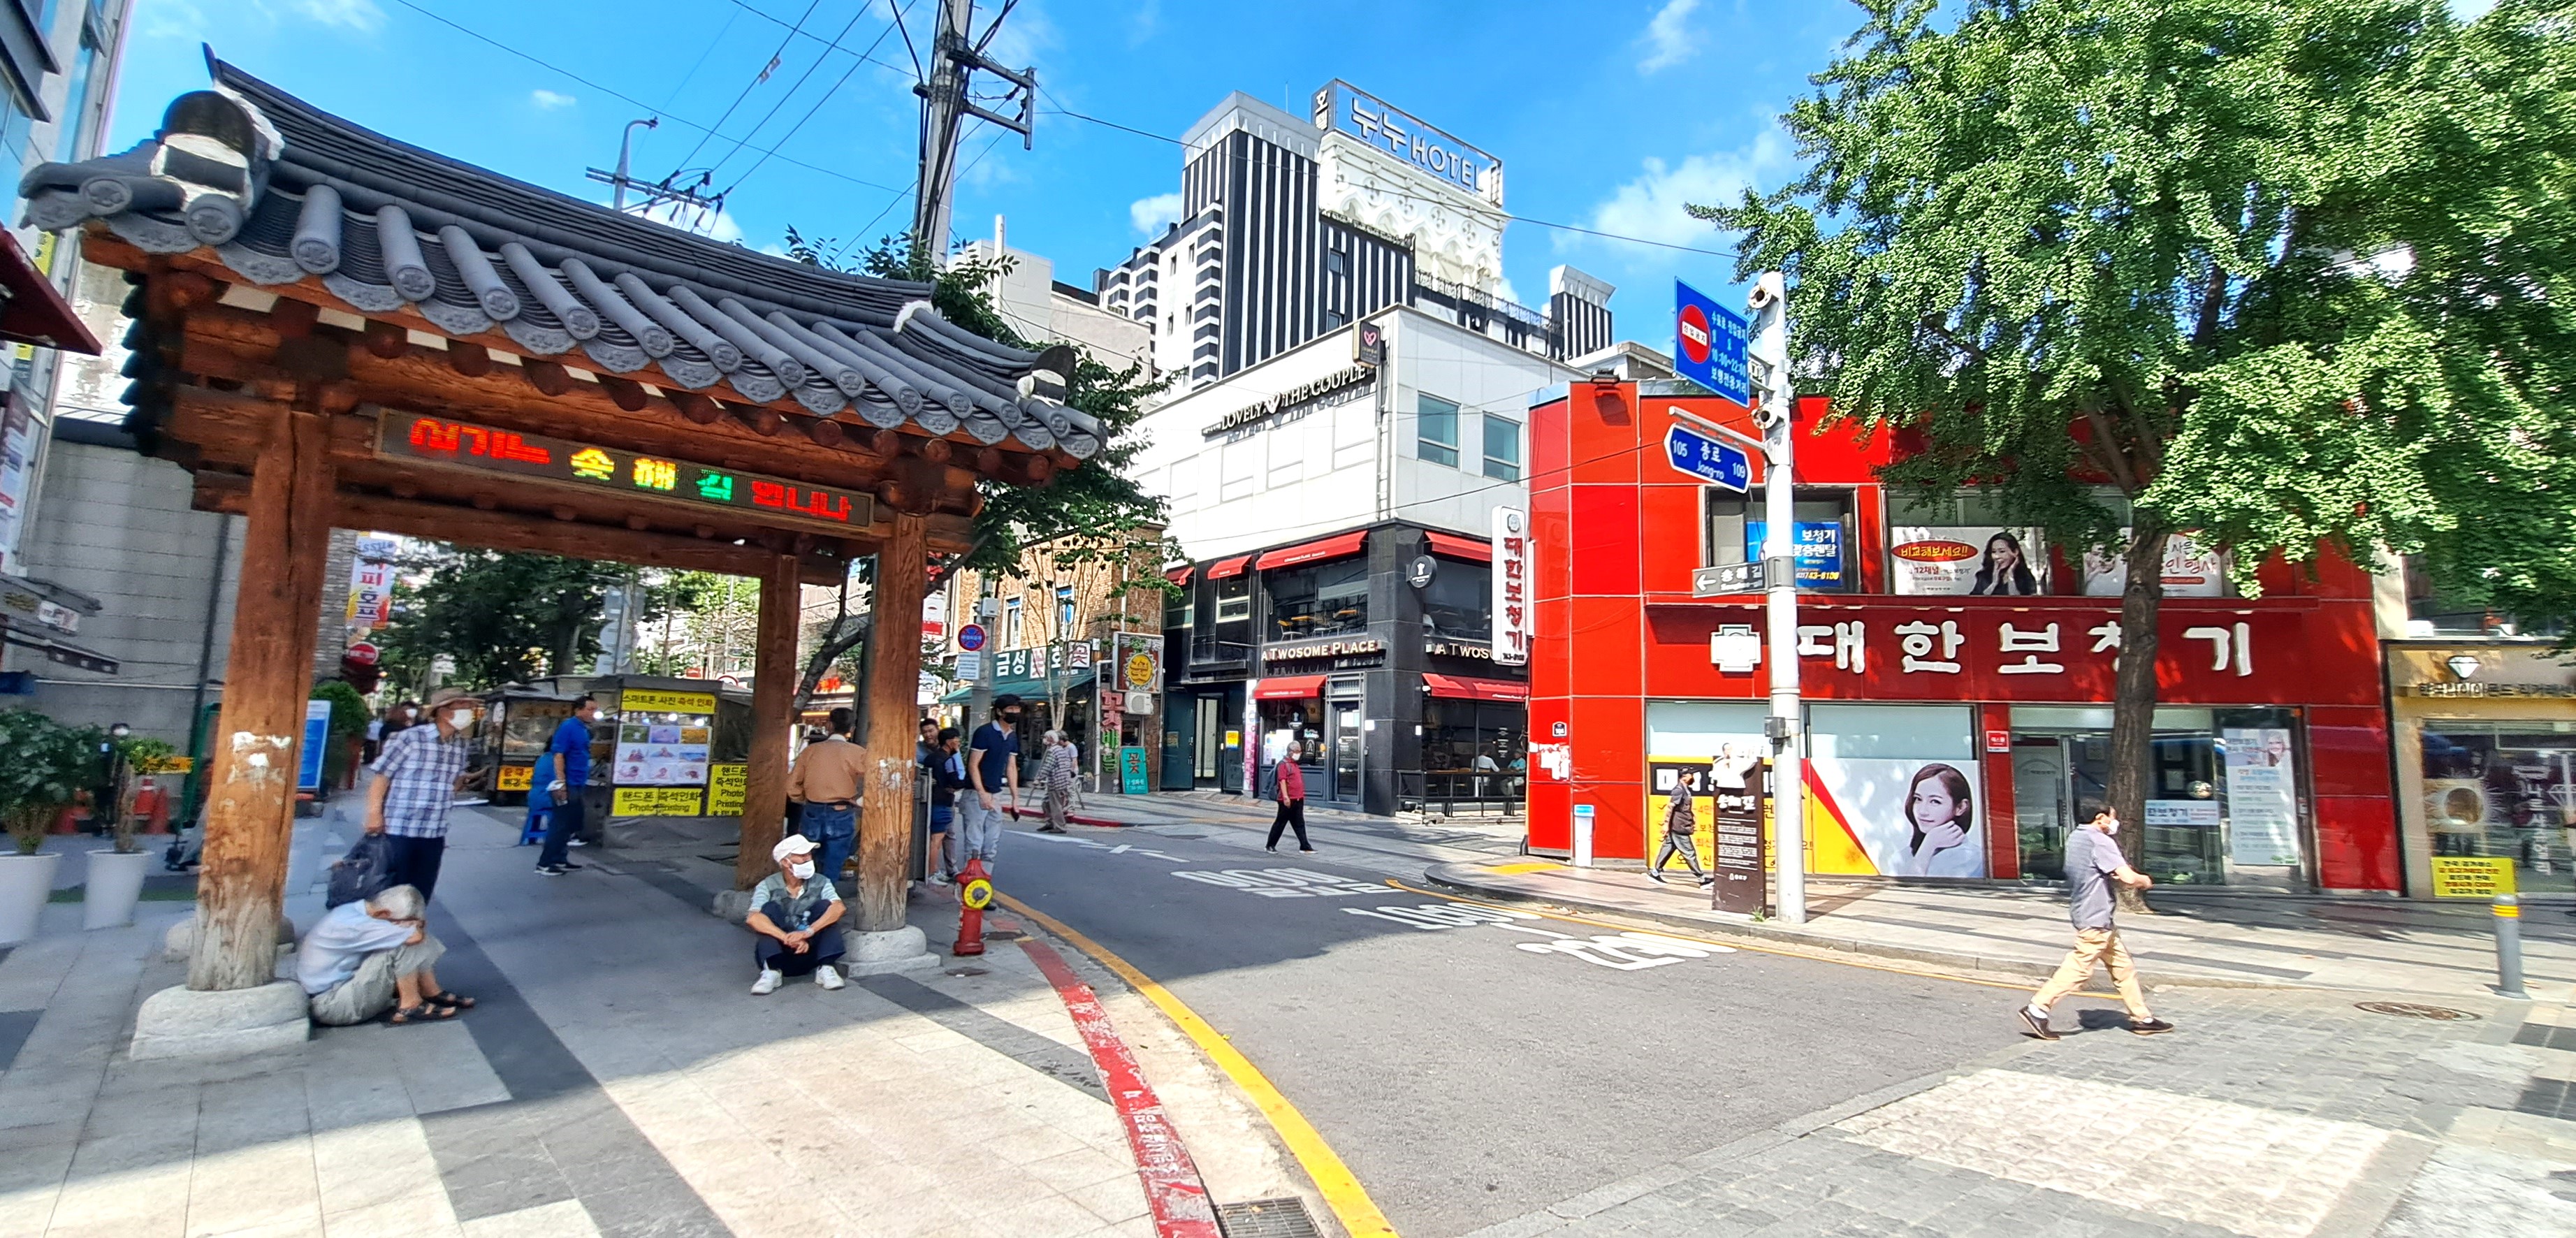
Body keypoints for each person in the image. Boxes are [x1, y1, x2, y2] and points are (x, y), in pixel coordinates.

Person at [2018, 805, 2174, 1040]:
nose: (2114, 822)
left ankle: (2142, 1018)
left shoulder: (2076, 837)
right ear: (2100, 818)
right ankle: (2037, 1008)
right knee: (2079, 968)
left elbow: (2093, 869)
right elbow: (2128, 878)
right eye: (2112, 817)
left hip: (2090, 912)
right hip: (2095, 916)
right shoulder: (2100, 840)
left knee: (2123, 967)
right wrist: (2145, 880)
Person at [365, 687, 483, 901]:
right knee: (391, 894)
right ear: (443, 711)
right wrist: (374, 814)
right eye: (463, 705)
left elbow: (453, 782)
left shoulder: (460, 745)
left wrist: (465, 780)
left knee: (420, 895)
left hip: (434, 831)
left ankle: (413, 923)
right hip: (399, 828)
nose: (469, 711)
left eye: (470, 707)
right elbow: (382, 777)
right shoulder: (410, 738)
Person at [296, 884, 472, 1026]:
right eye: (402, 921)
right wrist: (416, 926)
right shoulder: (355, 924)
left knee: (408, 937)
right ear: (384, 914)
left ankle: (430, 991)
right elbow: (414, 937)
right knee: (404, 942)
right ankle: (410, 1005)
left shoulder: (354, 911)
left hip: (337, 990)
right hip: (332, 1005)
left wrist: (410, 925)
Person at [745, 834, 845, 994]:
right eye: (802, 855)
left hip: (810, 950)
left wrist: (807, 933)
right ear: (786, 862)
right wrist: (787, 938)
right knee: (768, 910)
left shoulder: (821, 882)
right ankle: (771, 971)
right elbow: (753, 918)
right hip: (780, 951)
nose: (808, 859)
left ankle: (826, 967)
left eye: (809, 854)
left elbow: (838, 908)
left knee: (826, 907)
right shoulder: (767, 885)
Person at [787, 706, 868, 882]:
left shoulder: (810, 751)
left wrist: (803, 798)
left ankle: (807, 893)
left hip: (812, 810)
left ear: (829, 725)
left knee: (807, 859)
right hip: (841, 812)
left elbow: (792, 784)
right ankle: (826, 894)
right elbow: (878, 779)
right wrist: (861, 801)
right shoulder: (858, 753)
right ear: (852, 729)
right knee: (834, 862)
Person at [537, 694, 598, 876]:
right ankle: (545, 863)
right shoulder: (568, 727)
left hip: (578, 782)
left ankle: (560, 858)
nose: (593, 713)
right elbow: (559, 755)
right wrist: (561, 783)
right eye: (590, 709)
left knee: (569, 823)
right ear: (578, 710)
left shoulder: (583, 729)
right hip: (568, 783)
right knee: (560, 823)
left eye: (595, 710)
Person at [961, 694, 1024, 874]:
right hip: (976, 793)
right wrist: (982, 793)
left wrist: (1015, 798)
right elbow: (973, 764)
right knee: (974, 843)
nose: (1015, 713)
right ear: (999, 712)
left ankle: (984, 883)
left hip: (996, 793)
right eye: (1010, 709)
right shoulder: (985, 732)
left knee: (991, 844)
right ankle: (971, 883)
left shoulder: (1012, 736)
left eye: (1017, 709)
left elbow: (1011, 766)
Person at [1898, 764, 1981, 877]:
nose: (1922, 811)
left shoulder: (1972, 858)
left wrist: (1929, 845)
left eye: (1935, 801)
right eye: (1918, 799)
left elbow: (1910, 885)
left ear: (1960, 807)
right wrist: (1929, 845)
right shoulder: (1904, 855)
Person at [1651, 772, 1710, 885]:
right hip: (1679, 826)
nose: (1693, 777)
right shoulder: (1679, 790)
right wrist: (1666, 824)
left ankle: (1655, 872)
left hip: (1680, 825)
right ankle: (1702, 879)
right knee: (1689, 852)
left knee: (1668, 848)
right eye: (1691, 775)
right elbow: (1670, 808)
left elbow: (1683, 809)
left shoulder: (1685, 790)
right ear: (1684, 777)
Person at [928, 727, 967, 882]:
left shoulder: (931, 758)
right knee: (937, 840)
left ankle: (931, 871)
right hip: (943, 801)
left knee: (931, 839)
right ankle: (932, 872)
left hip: (930, 801)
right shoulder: (948, 760)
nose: (959, 743)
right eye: (957, 740)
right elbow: (956, 781)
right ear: (950, 742)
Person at [1267, 741, 1311, 853]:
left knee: (1299, 823)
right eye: (1297, 751)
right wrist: (1286, 797)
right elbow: (1282, 781)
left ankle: (1305, 846)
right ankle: (1270, 845)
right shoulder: (1283, 764)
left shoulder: (1294, 764)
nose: (1299, 753)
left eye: (1300, 751)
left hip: (1298, 798)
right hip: (1288, 799)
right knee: (1280, 823)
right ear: (1291, 752)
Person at [1969, 531, 2040, 596]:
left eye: (2002, 551)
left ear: (2015, 552)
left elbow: (2020, 601)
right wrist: (1994, 583)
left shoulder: (2025, 576)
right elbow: (1976, 601)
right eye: (1994, 552)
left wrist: (2011, 577)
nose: (1997, 556)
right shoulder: (1983, 576)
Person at [1036, 729, 1079, 834]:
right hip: (1062, 780)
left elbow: (1048, 766)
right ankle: (1050, 822)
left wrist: (1039, 778)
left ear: (1050, 739)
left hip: (1057, 781)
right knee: (1046, 803)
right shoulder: (1061, 750)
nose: (1044, 740)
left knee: (1056, 806)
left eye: (1046, 738)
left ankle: (1060, 827)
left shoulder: (1054, 751)